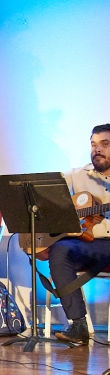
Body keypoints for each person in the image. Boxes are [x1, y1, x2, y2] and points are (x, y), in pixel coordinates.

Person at [38, 124, 110, 345]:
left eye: (105, 144)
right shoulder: (77, 175)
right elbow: (45, 191)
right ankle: (77, 324)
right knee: (60, 250)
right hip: (88, 244)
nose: (97, 149)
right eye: (93, 144)